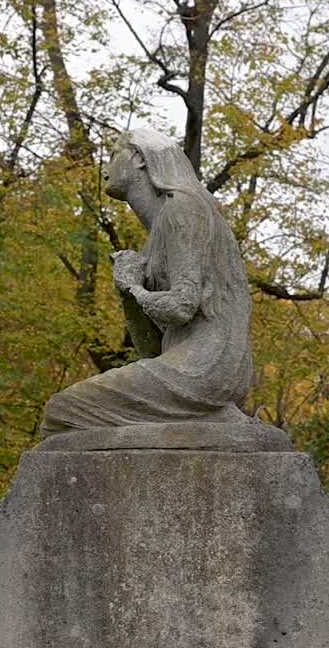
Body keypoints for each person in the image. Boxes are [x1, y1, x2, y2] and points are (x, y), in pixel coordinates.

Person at [39, 129, 253, 435]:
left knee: (64, 412)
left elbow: (181, 306)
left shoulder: (182, 208)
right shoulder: (156, 236)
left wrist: (136, 290)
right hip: (185, 364)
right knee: (63, 418)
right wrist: (127, 294)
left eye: (113, 156)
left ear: (139, 158)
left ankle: (213, 423)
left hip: (206, 366)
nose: (105, 169)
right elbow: (152, 352)